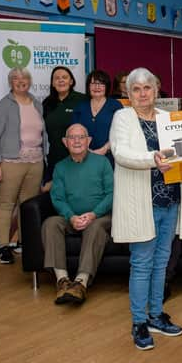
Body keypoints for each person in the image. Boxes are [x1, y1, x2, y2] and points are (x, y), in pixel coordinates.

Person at [109, 67, 182, 351]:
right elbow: (121, 153)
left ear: (156, 90)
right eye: (136, 89)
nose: (143, 94)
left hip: (170, 200)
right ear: (128, 94)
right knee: (142, 263)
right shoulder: (122, 117)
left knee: (162, 261)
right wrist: (152, 159)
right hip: (141, 203)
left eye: (147, 88)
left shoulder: (169, 118)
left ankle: (156, 315)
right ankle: (139, 321)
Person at [42, 124, 113, 304]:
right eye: (72, 138)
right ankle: (63, 281)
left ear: (88, 141)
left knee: (95, 227)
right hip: (71, 217)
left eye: (81, 137)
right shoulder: (60, 167)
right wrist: (71, 216)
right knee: (50, 223)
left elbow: (112, 193)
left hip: (100, 217)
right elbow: (57, 198)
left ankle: (81, 283)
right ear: (65, 142)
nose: (77, 141)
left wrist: (93, 214)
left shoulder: (102, 163)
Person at [0, 68, 45, 263]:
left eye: (24, 78)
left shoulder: (36, 103)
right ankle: (2, 246)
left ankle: (22, 241)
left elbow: (41, 132)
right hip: (11, 162)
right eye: (16, 79)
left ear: (29, 81)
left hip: (35, 161)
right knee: (6, 204)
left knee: (28, 205)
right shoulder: (4, 105)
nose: (21, 81)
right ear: (10, 82)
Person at [42, 66, 86, 189]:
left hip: (77, 160)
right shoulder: (47, 103)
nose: (61, 80)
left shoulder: (82, 100)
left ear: (71, 81)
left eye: (64, 77)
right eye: (57, 78)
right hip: (54, 160)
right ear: (52, 83)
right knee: (55, 198)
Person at [72, 70, 123, 166]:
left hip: (109, 158)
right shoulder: (80, 106)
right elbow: (74, 132)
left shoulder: (115, 105)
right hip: (84, 157)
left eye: (101, 84)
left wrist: (103, 150)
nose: (97, 87)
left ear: (107, 87)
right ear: (88, 86)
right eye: (93, 83)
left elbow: (120, 133)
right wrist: (85, 150)